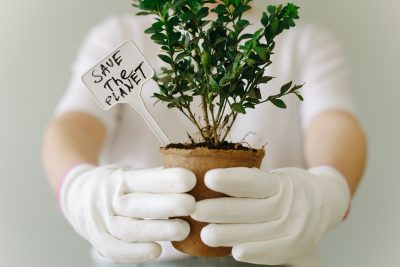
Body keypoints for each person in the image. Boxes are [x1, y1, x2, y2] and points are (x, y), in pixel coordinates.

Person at [42, 2, 367, 267]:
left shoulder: (304, 41)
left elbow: (334, 123)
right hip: (141, 254)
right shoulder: (120, 35)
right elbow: (75, 125)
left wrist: (330, 187)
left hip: (272, 256)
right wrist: (77, 186)